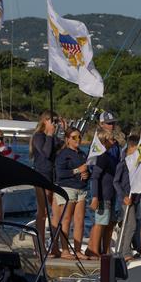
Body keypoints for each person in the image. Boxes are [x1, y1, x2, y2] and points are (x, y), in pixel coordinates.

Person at [29, 111, 65, 255]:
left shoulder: (54, 137)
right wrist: (50, 134)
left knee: (57, 212)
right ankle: (40, 246)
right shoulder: (38, 137)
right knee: (42, 212)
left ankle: (55, 246)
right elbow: (46, 152)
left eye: (56, 121)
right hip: (41, 176)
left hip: (53, 177)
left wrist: (62, 131)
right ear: (45, 121)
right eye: (53, 121)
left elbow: (63, 147)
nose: (55, 124)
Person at [53, 127, 90, 260]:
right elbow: (60, 174)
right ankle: (65, 250)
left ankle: (78, 250)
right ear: (67, 139)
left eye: (79, 137)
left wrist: (86, 174)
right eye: (74, 137)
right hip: (67, 189)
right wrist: (77, 171)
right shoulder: (63, 154)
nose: (78, 139)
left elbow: (86, 170)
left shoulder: (82, 153)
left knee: (79, 221)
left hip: (81, 189)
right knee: (66, 220)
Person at [87, 129, 120, 257]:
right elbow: (95, 177)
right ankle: (94, 249)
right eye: (111, 139)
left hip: (111, 194)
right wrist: (95, 197)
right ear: (105, 141)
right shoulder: (101, 157)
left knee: (110, 223)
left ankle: (105, 250)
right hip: (102, 195)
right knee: (100, 222)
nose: (114, 141)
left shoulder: (109, 156)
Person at [113, 134, 140, 260]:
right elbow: (116, 182)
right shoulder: (123, 164)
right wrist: (123, 196)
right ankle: (125, 252)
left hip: (134, 198)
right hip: (125, 199)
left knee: (127, 224)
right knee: (131, 225)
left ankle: (119, 251)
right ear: (131, 147)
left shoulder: (136, 164)